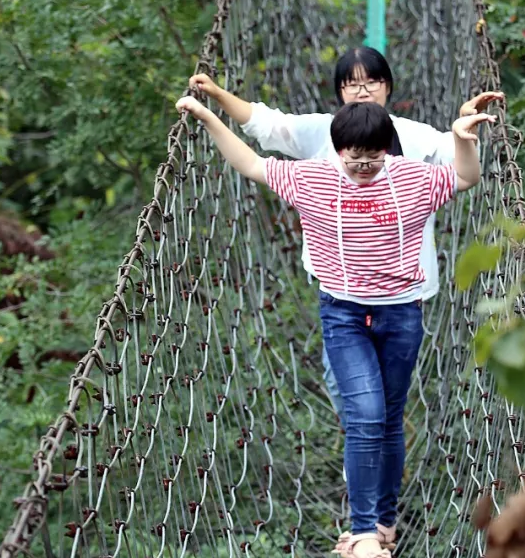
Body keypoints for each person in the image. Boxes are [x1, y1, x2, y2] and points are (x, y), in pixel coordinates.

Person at [174, 93, 494, 558]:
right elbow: (252, 164)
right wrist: (206, 117)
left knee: (388, 419)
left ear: (387, 148)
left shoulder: (410, 179)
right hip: (343, 313)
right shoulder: (315, 178)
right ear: (336, 149)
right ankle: (363, 532)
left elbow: (466, 177)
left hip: (402, 313)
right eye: (352, 157)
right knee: (365, 415)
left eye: (371, 157)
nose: (361, 166)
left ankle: (385, 523)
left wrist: (461, 138)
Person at [186, 47, 503, 416]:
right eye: (352, 84)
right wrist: (216, 98)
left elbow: (460, 161)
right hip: (340, 287)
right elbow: (265, 128)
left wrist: (464, 126)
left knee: (384, 399)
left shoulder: (413, 138)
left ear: (388, 86)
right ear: (339, 91)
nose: (363, 91)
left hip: (401, 288)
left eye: (372, 81)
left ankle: (373, 452)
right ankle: (363, 449)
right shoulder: (326, 132)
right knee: (353, 395)